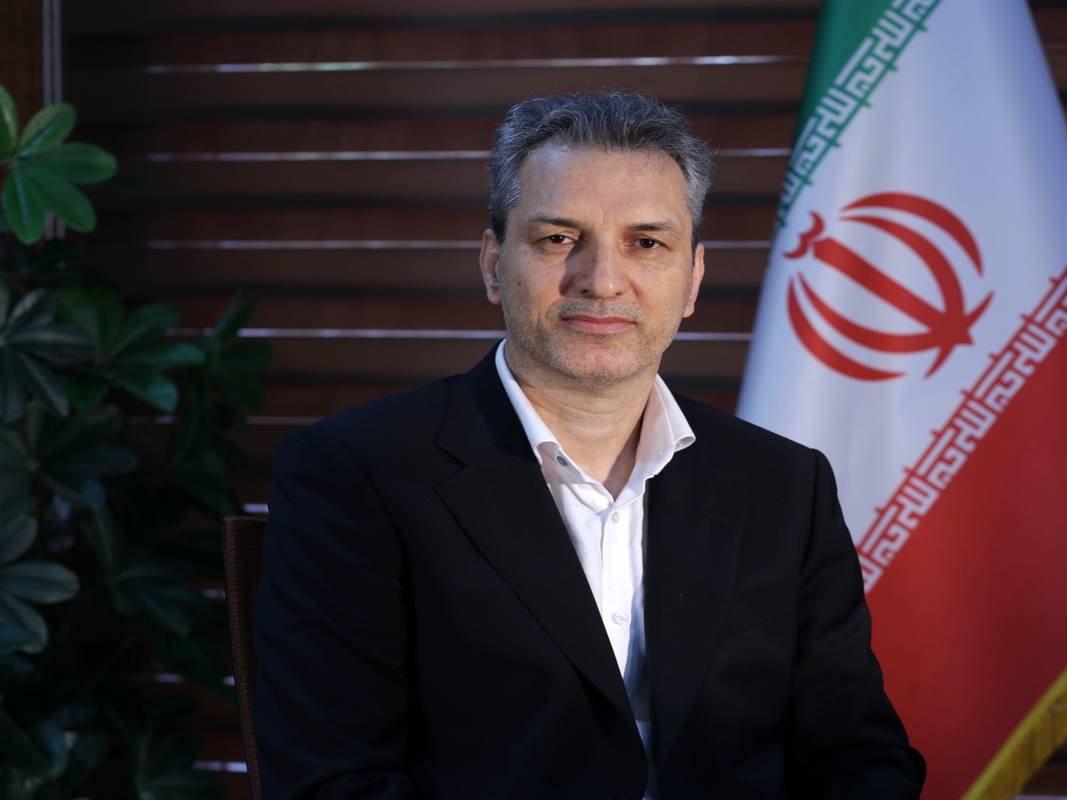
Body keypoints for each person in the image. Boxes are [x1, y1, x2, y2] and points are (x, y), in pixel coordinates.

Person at [253, 91, 924, 799]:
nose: (601, 281)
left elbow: (859, 757)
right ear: (493, 265)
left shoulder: (785, 484)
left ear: (692, 280)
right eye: (557, 239)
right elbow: (333, 783)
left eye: (646, 243)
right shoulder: (355, 474)